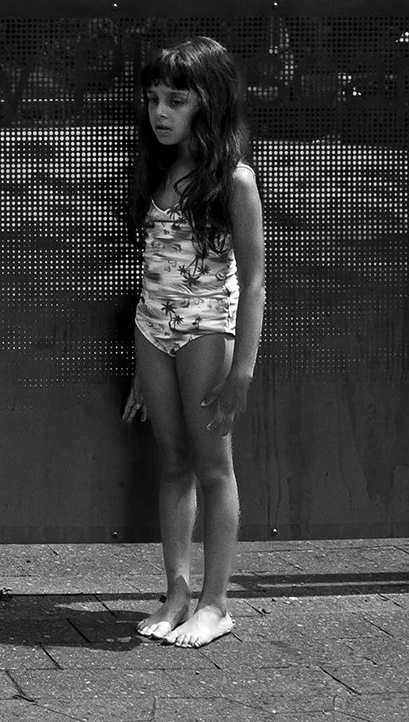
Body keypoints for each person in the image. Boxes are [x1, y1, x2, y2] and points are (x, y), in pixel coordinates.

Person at [121, 36, 265, 649]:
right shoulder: (156, 168)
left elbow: (256, 280)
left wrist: (243, 372)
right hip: (151, 330)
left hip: (207, 330)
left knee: (213, 468)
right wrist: (138, 370)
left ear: (208, 103)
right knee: (172, 462)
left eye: (176, 100)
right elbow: (154, 262)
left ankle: (216, 603)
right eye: (154, 99)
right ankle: (176, 591)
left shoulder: (233, 179)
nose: (160, 112)